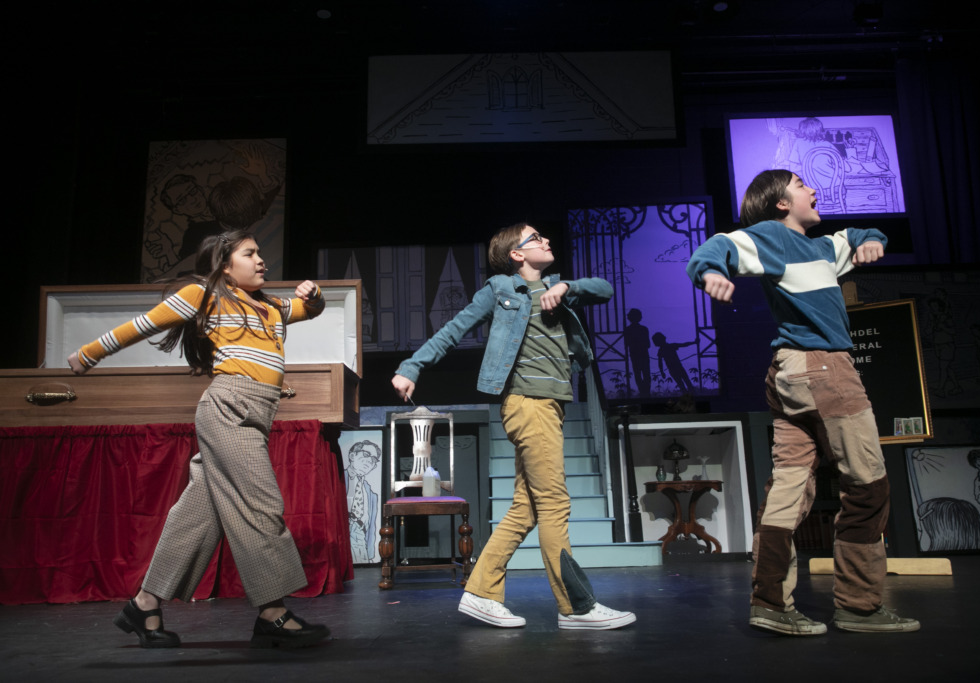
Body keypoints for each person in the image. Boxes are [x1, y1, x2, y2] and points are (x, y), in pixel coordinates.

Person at [67, 230, 331, 650]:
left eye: (261, 253)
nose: (261, 260)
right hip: (230, 408)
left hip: (256, 412)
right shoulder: (203, 295)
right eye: (250, 254)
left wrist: (313, 295)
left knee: (198, 515)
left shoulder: (269, 307)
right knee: (261, 504)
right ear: (226, 265)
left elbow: (307, 309)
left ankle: (145, 603)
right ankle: (272, 613)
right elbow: (142, 325)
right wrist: (89, 353)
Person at [686, 170, 920, 635]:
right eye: (801, 184)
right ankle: (859, 605)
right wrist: (710, 272)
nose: (813, 190)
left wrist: (872, 239)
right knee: (868, 485)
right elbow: (717, 248)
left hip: (791, 374)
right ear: (779, 202)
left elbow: (857, 235)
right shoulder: (775, 236)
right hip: (823, 369)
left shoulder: (822, 250)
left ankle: (770, 602)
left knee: (789, 486)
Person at [391, 222, 636, 631]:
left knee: (526, 509)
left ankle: (481, 593)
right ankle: (576, 607)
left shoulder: (559, 286)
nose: (546, 241)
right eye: (535, 238)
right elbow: (454, 330)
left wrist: (568, 288)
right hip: (528, 404)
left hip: (552, 407)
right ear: (517, 255)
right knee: (555, 503)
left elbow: (605, 289)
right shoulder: (501, 290)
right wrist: (411, 366)